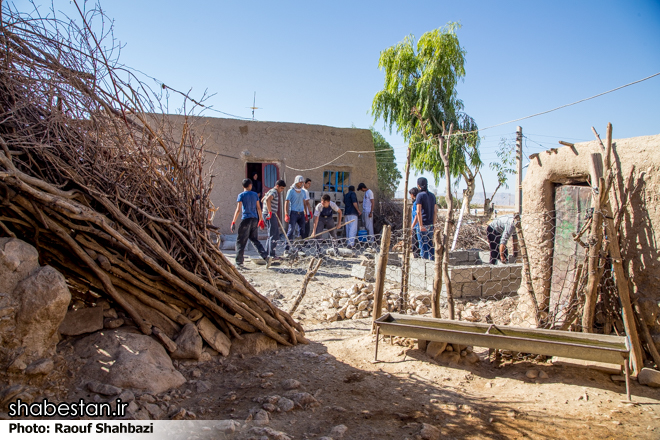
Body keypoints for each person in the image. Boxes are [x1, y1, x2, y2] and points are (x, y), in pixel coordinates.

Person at [231, 178, 268, 266]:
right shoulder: (255, 195)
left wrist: (233, 222)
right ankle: (265, 256)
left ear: (243, 186)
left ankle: (239, 261)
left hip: (246, 219)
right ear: (250, 185)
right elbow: (259, 208)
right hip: (254, 219)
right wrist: (261, 220)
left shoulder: (241, 195)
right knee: (254, 239)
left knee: (241, 241)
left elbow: (238, 209)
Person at [412, 177, 437, 260]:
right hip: (430, 224)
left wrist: (421, 225)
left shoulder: (419, 196)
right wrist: (433, 224)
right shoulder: (432, 196)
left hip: (423, 224)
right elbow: (435, 211)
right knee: (430, 246)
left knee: (423, 246)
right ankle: (433, 263)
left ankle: (425, 265)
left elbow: (418, 212)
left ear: (418, 185)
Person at [262, 179, 286, 258]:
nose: (282, 190)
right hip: (269, 214)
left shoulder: (270, 191)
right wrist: (270, 212)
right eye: (281, 188)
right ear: (277, 186)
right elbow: (267, 199)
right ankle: (271, 255)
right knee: (274, 235)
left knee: (272, 234)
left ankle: (268, 253)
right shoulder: (274, 192)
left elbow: (263, 200)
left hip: (268, 214)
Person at [284, 175, 307, 251]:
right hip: (293, 212)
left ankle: (299, 248)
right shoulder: (291, 191)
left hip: (301, 213)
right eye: (300, 182)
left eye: (302, 182)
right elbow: (286, 202)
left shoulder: (303, 191)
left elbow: (304, 203)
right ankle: (286, 248)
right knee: (291, 230)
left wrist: (305, 213)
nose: (301, 184)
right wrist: (286, 214)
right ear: (297, 182)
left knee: (302, 231)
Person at [409, 187, 421, 257]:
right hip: (415, 225)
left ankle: (417, 258)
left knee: (415, 244)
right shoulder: (415, 203)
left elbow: (416, 215)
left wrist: (412, 226)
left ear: (413, 194)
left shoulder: (416, 203)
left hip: (416, 226)